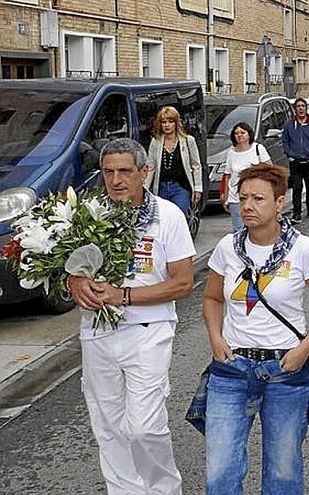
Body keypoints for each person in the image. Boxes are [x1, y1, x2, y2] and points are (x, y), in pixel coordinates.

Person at [202, 163, 309, 494]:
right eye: (244, 197)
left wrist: (303, 350)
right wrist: (214, 336)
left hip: (285, 370)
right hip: (231, 369)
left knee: (282, 474)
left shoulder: (302, 248)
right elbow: (211, 298)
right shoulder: (227, 247)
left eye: (259, 199)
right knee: (220, 474)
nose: (248, 205)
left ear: (280, 203)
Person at [70, 137, 195, 494]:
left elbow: (183, 283)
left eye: (125, 171)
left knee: (143, 426)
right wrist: (74, 281)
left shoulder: (168, 216)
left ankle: (162, 489)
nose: (116, 180)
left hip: (148, 332)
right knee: (107, 426)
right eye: (108, 172)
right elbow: (67, 267)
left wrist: (123, 295)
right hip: (96, 332)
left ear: (145, 172)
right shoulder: (88, 215)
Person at [146, 106, 203, 215]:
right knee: (163, 219)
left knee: (179, 216)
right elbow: (151, 167)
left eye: (170, 121)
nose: (167, 125)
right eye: (164, 122)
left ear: (176, 123)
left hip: (181, 187)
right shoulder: (155, 142)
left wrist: (197, 188)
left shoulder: (188, 141)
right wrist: (145, 189)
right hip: (161, 188)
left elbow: (196, 165)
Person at [220, 122, 270, 231]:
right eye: (236, 133)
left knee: (255, 226)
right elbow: (227, 175)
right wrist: (225, 196)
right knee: (239, 229)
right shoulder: (231, 152)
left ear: (249, 134)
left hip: (256, 195)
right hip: (236, 196)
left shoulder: (258, 148)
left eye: (242, 132)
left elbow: (270, 169)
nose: (239, 135)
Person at [282, 97, 309, 223]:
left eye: (303, 106)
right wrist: (290, 155)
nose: (301, 108)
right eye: (298, 106)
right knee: (297, 187)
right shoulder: (289, 125)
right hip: (295, 162)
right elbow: (285, 141)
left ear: (306, 108)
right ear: (295, 109)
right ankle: (297, 213)